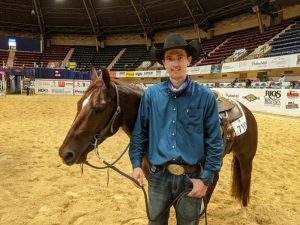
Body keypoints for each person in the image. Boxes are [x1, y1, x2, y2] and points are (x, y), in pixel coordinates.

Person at [129, 33, 224, 225]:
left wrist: (205, 179)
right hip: (157, 177)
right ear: (163, 63)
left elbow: (215, 141)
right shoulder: (151, 95)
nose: (175, 64)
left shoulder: (205, 97)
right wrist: (137, 164)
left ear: (189, 60)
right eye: (170, 59)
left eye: (180, 57)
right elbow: (140, 133)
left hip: (192, 178)